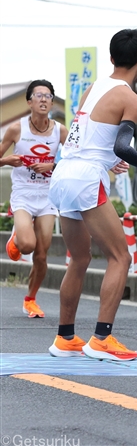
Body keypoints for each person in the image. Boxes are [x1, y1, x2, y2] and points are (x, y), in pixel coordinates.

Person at [47, 29, 137, 361]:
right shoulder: (132, 99)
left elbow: (91, 136)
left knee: (80, 258)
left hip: (63, 174)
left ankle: (65, 338)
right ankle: (101, 338)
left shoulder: (93, 88)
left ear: (112, 58)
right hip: (86, 178)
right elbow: (121, 145)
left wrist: (111, 160)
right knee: (121, 257)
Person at [0, 80, 66, 317]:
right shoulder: (17, 129)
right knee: (28, 245)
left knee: (41, 253)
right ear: (29, 102)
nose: (43, 99)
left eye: (48, 96)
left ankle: (30, 299)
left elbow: (75, 159)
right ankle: (17, 239)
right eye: (38, 95)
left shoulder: (60, 131)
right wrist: (8, 160)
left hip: (48, 195)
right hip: (23, 195)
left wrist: (53, 164)